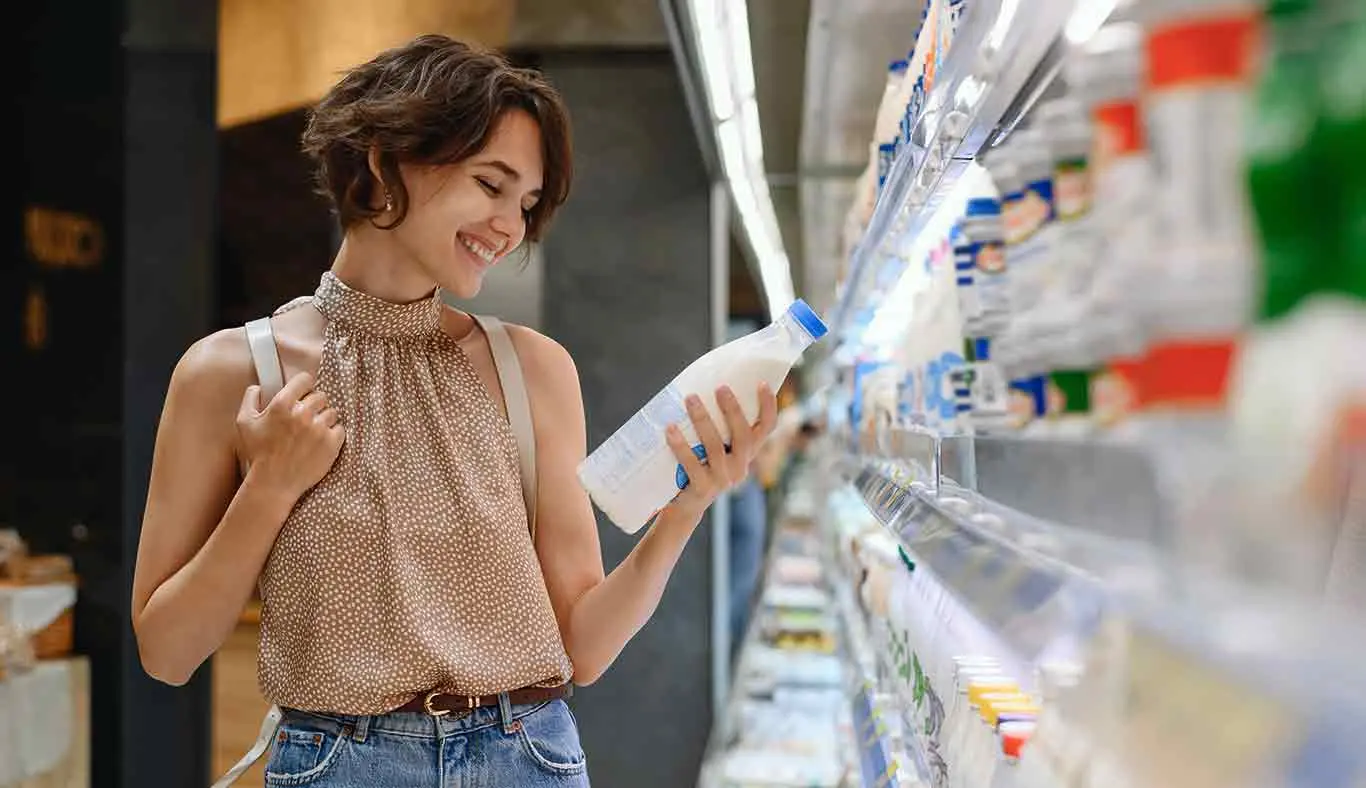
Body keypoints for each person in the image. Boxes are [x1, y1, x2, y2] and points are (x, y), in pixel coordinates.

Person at [130, 35, 777, 787]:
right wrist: (268, 488)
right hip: (341, 766)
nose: (510, 226)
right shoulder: (233, 374)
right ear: (381, 162)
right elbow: (168, 653)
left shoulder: (533, 370)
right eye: (489, 184)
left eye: (527, 202)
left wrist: (687, 507)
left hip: (530, 756)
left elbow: (585, 650)